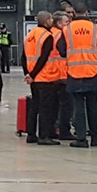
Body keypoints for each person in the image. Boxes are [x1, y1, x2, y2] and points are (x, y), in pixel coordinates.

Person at [65, 5, 97, 147]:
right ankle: (96, 137)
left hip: (74, 71)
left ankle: (81, 138)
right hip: (92, 71)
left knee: (78, 107)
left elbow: (61, 48)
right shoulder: (96, 28)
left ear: (74, 13)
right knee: (93, 106)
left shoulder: (67, 29)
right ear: (87, 13)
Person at [24, 12, 65, 145]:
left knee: (34, 106)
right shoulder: (47, 36)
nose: (52, 21)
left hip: (33, 78)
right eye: (51, 19)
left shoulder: (30, 35)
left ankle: (31, 134)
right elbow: (44, 57)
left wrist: (28, 74)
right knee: (45, 108)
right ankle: (44, 135)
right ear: (46, 21)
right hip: (45, 77)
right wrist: (34, 74)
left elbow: (23, 57)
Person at [52, 11, 75, 140]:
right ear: (59, 23)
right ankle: (64, 131)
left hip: (53, 75)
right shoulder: (61, 35)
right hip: (63, 74)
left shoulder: (51, 34)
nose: (69, 24)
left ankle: (55, 129)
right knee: (66, 106)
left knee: (55, 106)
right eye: (67, 22)